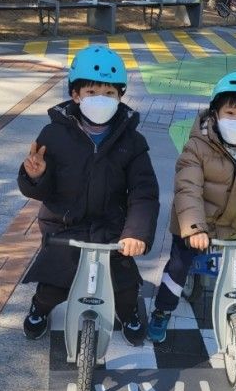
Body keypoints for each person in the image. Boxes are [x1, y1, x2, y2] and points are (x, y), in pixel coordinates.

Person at [18, 45, 160, 346]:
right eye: (92, 92)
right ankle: (39, 309)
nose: (101, 100)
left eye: (109, 94)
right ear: (76, 95)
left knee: (123, 287)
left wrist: (135, 233)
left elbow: (143, 192)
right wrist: (35, 175)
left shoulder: (132, 142)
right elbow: (41, 190)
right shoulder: (53, 135)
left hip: (113, 228)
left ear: (120, 96)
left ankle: (130, 312)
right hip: (65, 225)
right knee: (55, 284)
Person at [147, 72, 236, 343]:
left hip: (234, 226)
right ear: (215, 113)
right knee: (178, 267)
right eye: (230, 113)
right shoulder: (197, 147)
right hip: (195, 225)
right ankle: (162, 310)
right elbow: (188, 188)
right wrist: (194, 228)